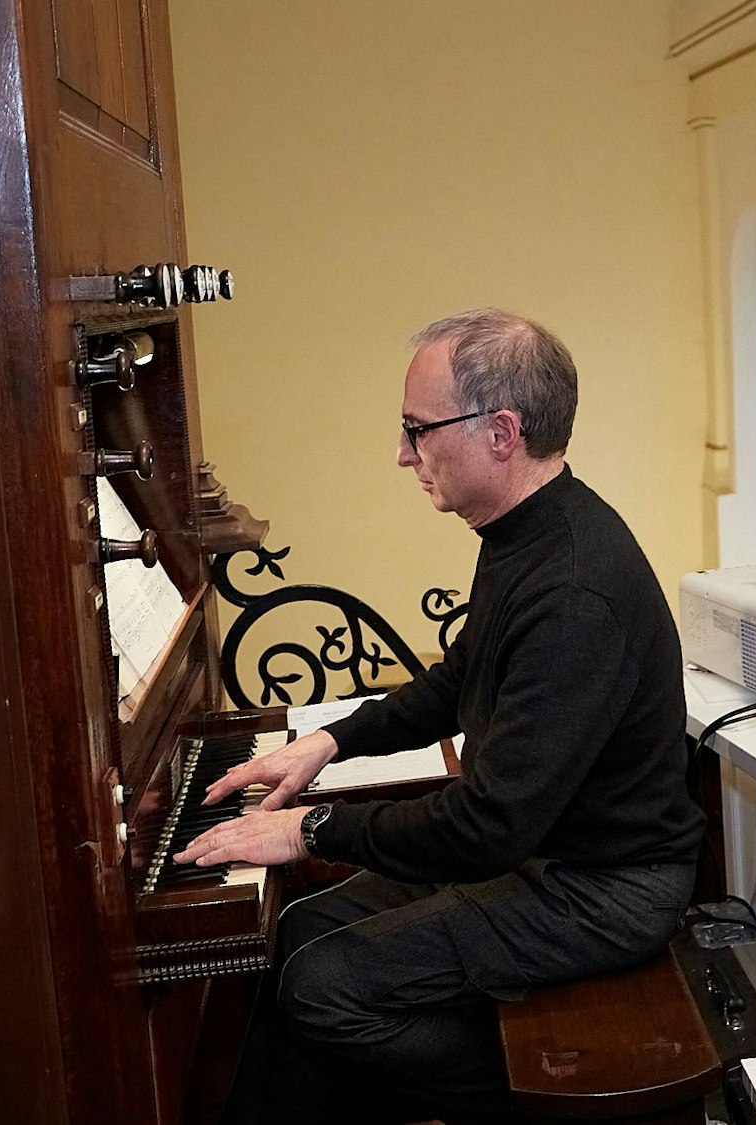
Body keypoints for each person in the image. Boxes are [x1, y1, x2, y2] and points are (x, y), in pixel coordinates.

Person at [174, 307, 706, 1124]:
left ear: (502, 431)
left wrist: (311, 830)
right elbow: (464, 674)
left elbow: (489, 826)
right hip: (543, 849)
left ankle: (548, 1086)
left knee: (322, 985)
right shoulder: (522, 529)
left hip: (605, 888)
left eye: (417, 429)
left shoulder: (572, 590)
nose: (402, 452)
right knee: (302, 928)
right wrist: (329, 741)